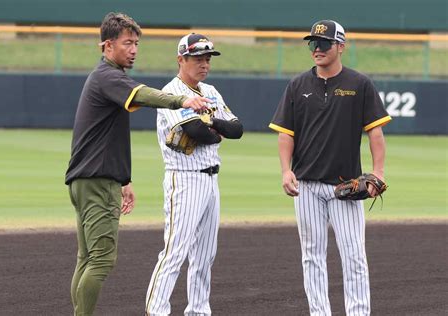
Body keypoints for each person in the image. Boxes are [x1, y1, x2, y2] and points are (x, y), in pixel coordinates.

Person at [65, 13, 210, 316]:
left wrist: (124, 180)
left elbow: (108, 137)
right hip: (97, 181)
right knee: (102, 261)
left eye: (136, 43)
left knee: (87, 258)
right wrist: (180, 100)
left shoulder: (105, 77)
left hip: (87, 179)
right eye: (127, 43)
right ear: (107, 46)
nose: (133, 49)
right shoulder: (109, 76)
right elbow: (142, 94)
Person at [269, 20, 391, 315]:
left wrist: (378, 173)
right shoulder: (297, 85)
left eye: (324, 43)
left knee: (353, 256)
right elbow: (286, 133)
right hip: (307, 186)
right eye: (313, 43)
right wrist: (286, 171)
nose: (317, 49)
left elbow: (375, 133)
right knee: (312, 256)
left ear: (341, 46)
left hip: (345, 186)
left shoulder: (359, 84)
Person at [145, 33, 243, 316]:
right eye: (198, 58)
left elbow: (236, 129)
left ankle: (198, 311)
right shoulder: (171, 93)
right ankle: (156, 311)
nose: (205, 64)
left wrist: (210, 121)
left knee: (205, 255)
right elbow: (197, 133)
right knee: (175, 252)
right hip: (184, 179)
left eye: (208, 58)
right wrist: (214, 128)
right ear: (181, 59)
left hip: (211, 180)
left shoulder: (211, 91)